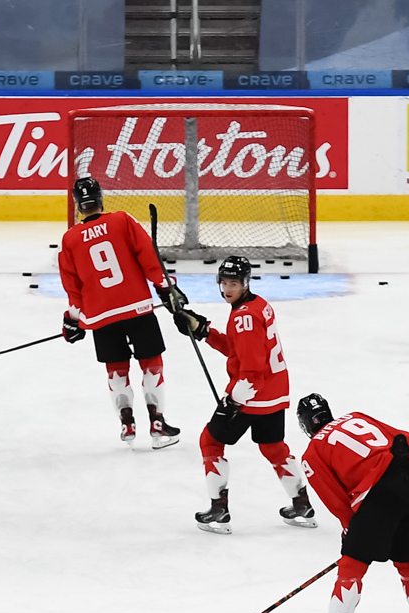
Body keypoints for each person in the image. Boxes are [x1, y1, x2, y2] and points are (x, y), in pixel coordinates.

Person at [170, 253, 310, 533]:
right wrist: (204, 331)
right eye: (224, 282)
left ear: (246, 283)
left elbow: (252, 370)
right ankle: (301, 504)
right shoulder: (258, 305)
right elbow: (239, 350)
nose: (228, 289)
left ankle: (219, 510)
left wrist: (233, 401)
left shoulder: (243, 318)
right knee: (273, 448)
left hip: (252, 394)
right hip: (274, 392)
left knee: (209, 442)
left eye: (234, 283)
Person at [295, 395, 409, 613]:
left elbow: (336, 500)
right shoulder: (356, 417)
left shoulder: (313, 452)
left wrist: (352, 532)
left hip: (380, 495)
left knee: (352, 565)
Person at [58, 175, 179, 449]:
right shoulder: (122, 220)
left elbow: (73, 289)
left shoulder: (70, 239)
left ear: (78, 205)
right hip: (137, 308)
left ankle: (127, 422)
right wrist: (165, 287)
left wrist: (73, 321)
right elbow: (148, 257)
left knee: (116, 370)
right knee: (152, 364)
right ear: (100, 198)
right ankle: (157, 423)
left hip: (101, 317)